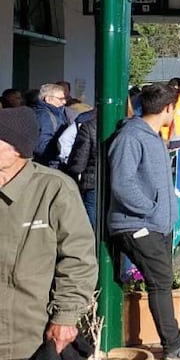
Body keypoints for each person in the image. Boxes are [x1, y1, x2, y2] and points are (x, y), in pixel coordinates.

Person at [108, 83, 180, 360]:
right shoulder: (131, 137)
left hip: (156, 223)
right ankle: (174, 346)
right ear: (168, 108)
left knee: (161, 281)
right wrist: (151, 209)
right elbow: (122, 182)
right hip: (137, 224)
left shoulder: (151, 135)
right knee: (161, 281)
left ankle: (176, 342)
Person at [0, 106, 98, 359]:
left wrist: (65, 317)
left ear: (18, 149)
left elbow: (79, 259)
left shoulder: (54, 189)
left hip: (30, 337)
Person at [65, 112, 100, 227]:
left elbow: (79, 159)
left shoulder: (89, 126)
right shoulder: (127, 126)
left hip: (92, 183)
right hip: (115, 184)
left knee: (92, 222)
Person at [33, 82, 69, 168]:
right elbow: (42, 145)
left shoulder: (57, 113)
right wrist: (58, 155)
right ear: (48, 99)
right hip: (50, 164)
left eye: (65, 98)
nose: (64, 102)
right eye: (60, 99)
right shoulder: (44, 116)